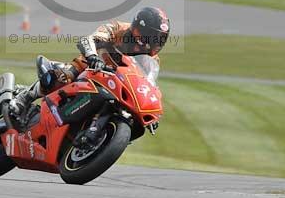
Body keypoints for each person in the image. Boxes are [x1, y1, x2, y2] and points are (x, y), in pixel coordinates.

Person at [10, 6, 170, 118]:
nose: (153, 43)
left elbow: (148, 84)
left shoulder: (152, 60)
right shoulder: (118, 29)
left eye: (159, 39)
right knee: (61, 78)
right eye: (150, 36)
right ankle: (25, 97)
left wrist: (150, 111)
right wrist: (92, 56)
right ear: (137, 28)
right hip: (89, 70)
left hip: (116, 86)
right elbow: (89, 39)